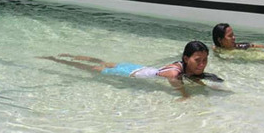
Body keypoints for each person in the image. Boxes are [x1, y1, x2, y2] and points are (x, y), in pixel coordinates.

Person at [40, 41, 222, 99]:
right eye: (198, 60)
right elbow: (175, 81)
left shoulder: (185, 67)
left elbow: (191, 77)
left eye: (205, 60)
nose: (202, 64)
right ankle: (59, 60)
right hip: (129, 74)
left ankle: (68, 55)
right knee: (91, 69)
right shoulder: (174, 72)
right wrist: (185, 95)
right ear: (185, 58)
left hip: (139, 68)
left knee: (104, 62)